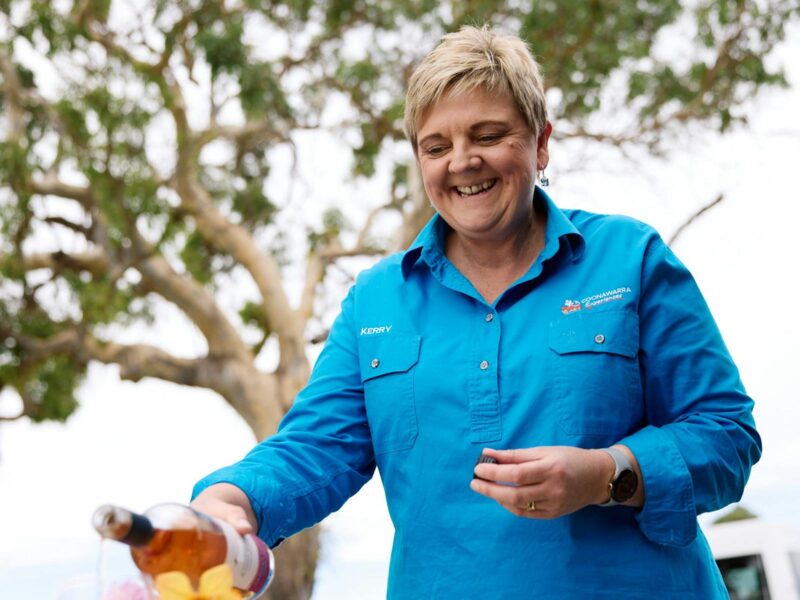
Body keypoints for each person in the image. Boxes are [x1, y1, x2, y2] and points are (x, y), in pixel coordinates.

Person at [192, 26, 761, 598]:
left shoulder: (629, 259)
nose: (462, 162)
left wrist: (606, 474)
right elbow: (313, 449)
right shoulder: (376, 300)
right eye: (436, 147)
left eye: (487, 135)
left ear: (541, 143)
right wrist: (231, 498)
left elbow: (728, 435)